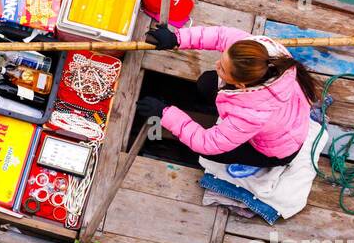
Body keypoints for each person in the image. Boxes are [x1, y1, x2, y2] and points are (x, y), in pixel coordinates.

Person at [136, 24, 318, 166]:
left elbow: (206, 144)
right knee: (208, 81)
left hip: (278, 149)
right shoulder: (260, 51)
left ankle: (259, 158)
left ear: (241, 85)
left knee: (214, 153)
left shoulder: (251, 116)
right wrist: (176, 38)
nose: (216, 64)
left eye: (222, 68)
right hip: (280, 114)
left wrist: (165, 114)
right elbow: (221, 36)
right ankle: (219, 115)